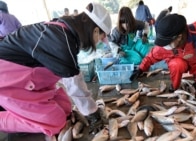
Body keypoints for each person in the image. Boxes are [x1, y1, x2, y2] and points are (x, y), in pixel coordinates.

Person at [0, 1, 112, 138]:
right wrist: (92, 113)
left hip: (31, 80)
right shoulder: (62, 41)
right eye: (101, 38)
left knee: (65, 109)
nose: (99, 42)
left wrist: (88, 108)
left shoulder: (65, 31)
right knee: (54, 121)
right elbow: (75, 85)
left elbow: (70, 76)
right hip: (9, 79)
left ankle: (26, 110)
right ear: (95, 31)